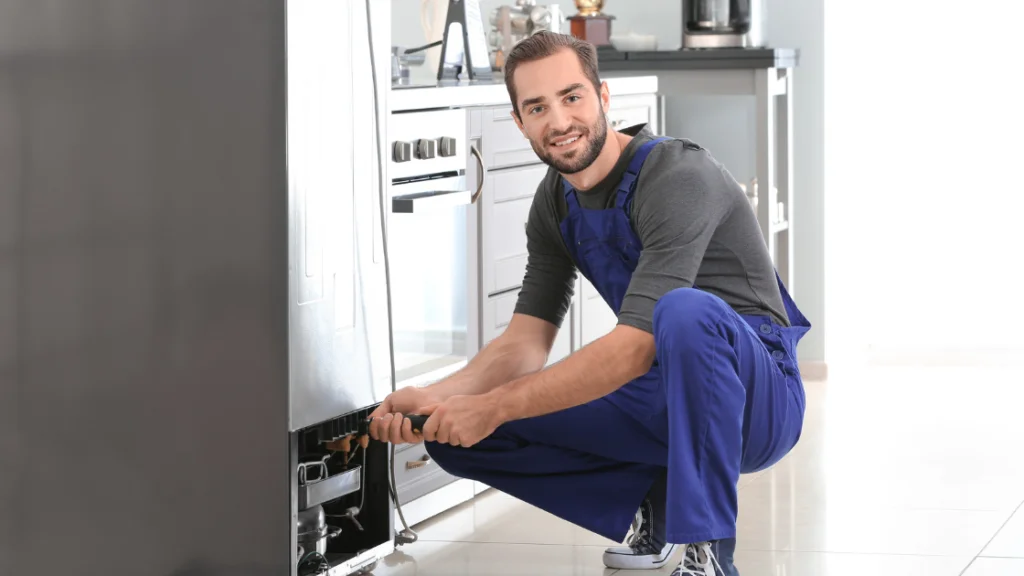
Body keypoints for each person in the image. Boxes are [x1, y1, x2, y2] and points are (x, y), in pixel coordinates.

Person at [368, 31, 811, 576]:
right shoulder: (554, 203)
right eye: (537, 107)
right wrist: (436, 397)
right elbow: (524, 345)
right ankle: (657, 499)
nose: (558, 121)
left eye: (571, 97)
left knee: (684, 312)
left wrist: (496, 404)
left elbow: (630, 350)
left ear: (603, 98)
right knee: (456, 435)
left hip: (757, 400)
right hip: (660, 394)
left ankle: (706, 550)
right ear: (519, 122)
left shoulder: (677, 176)